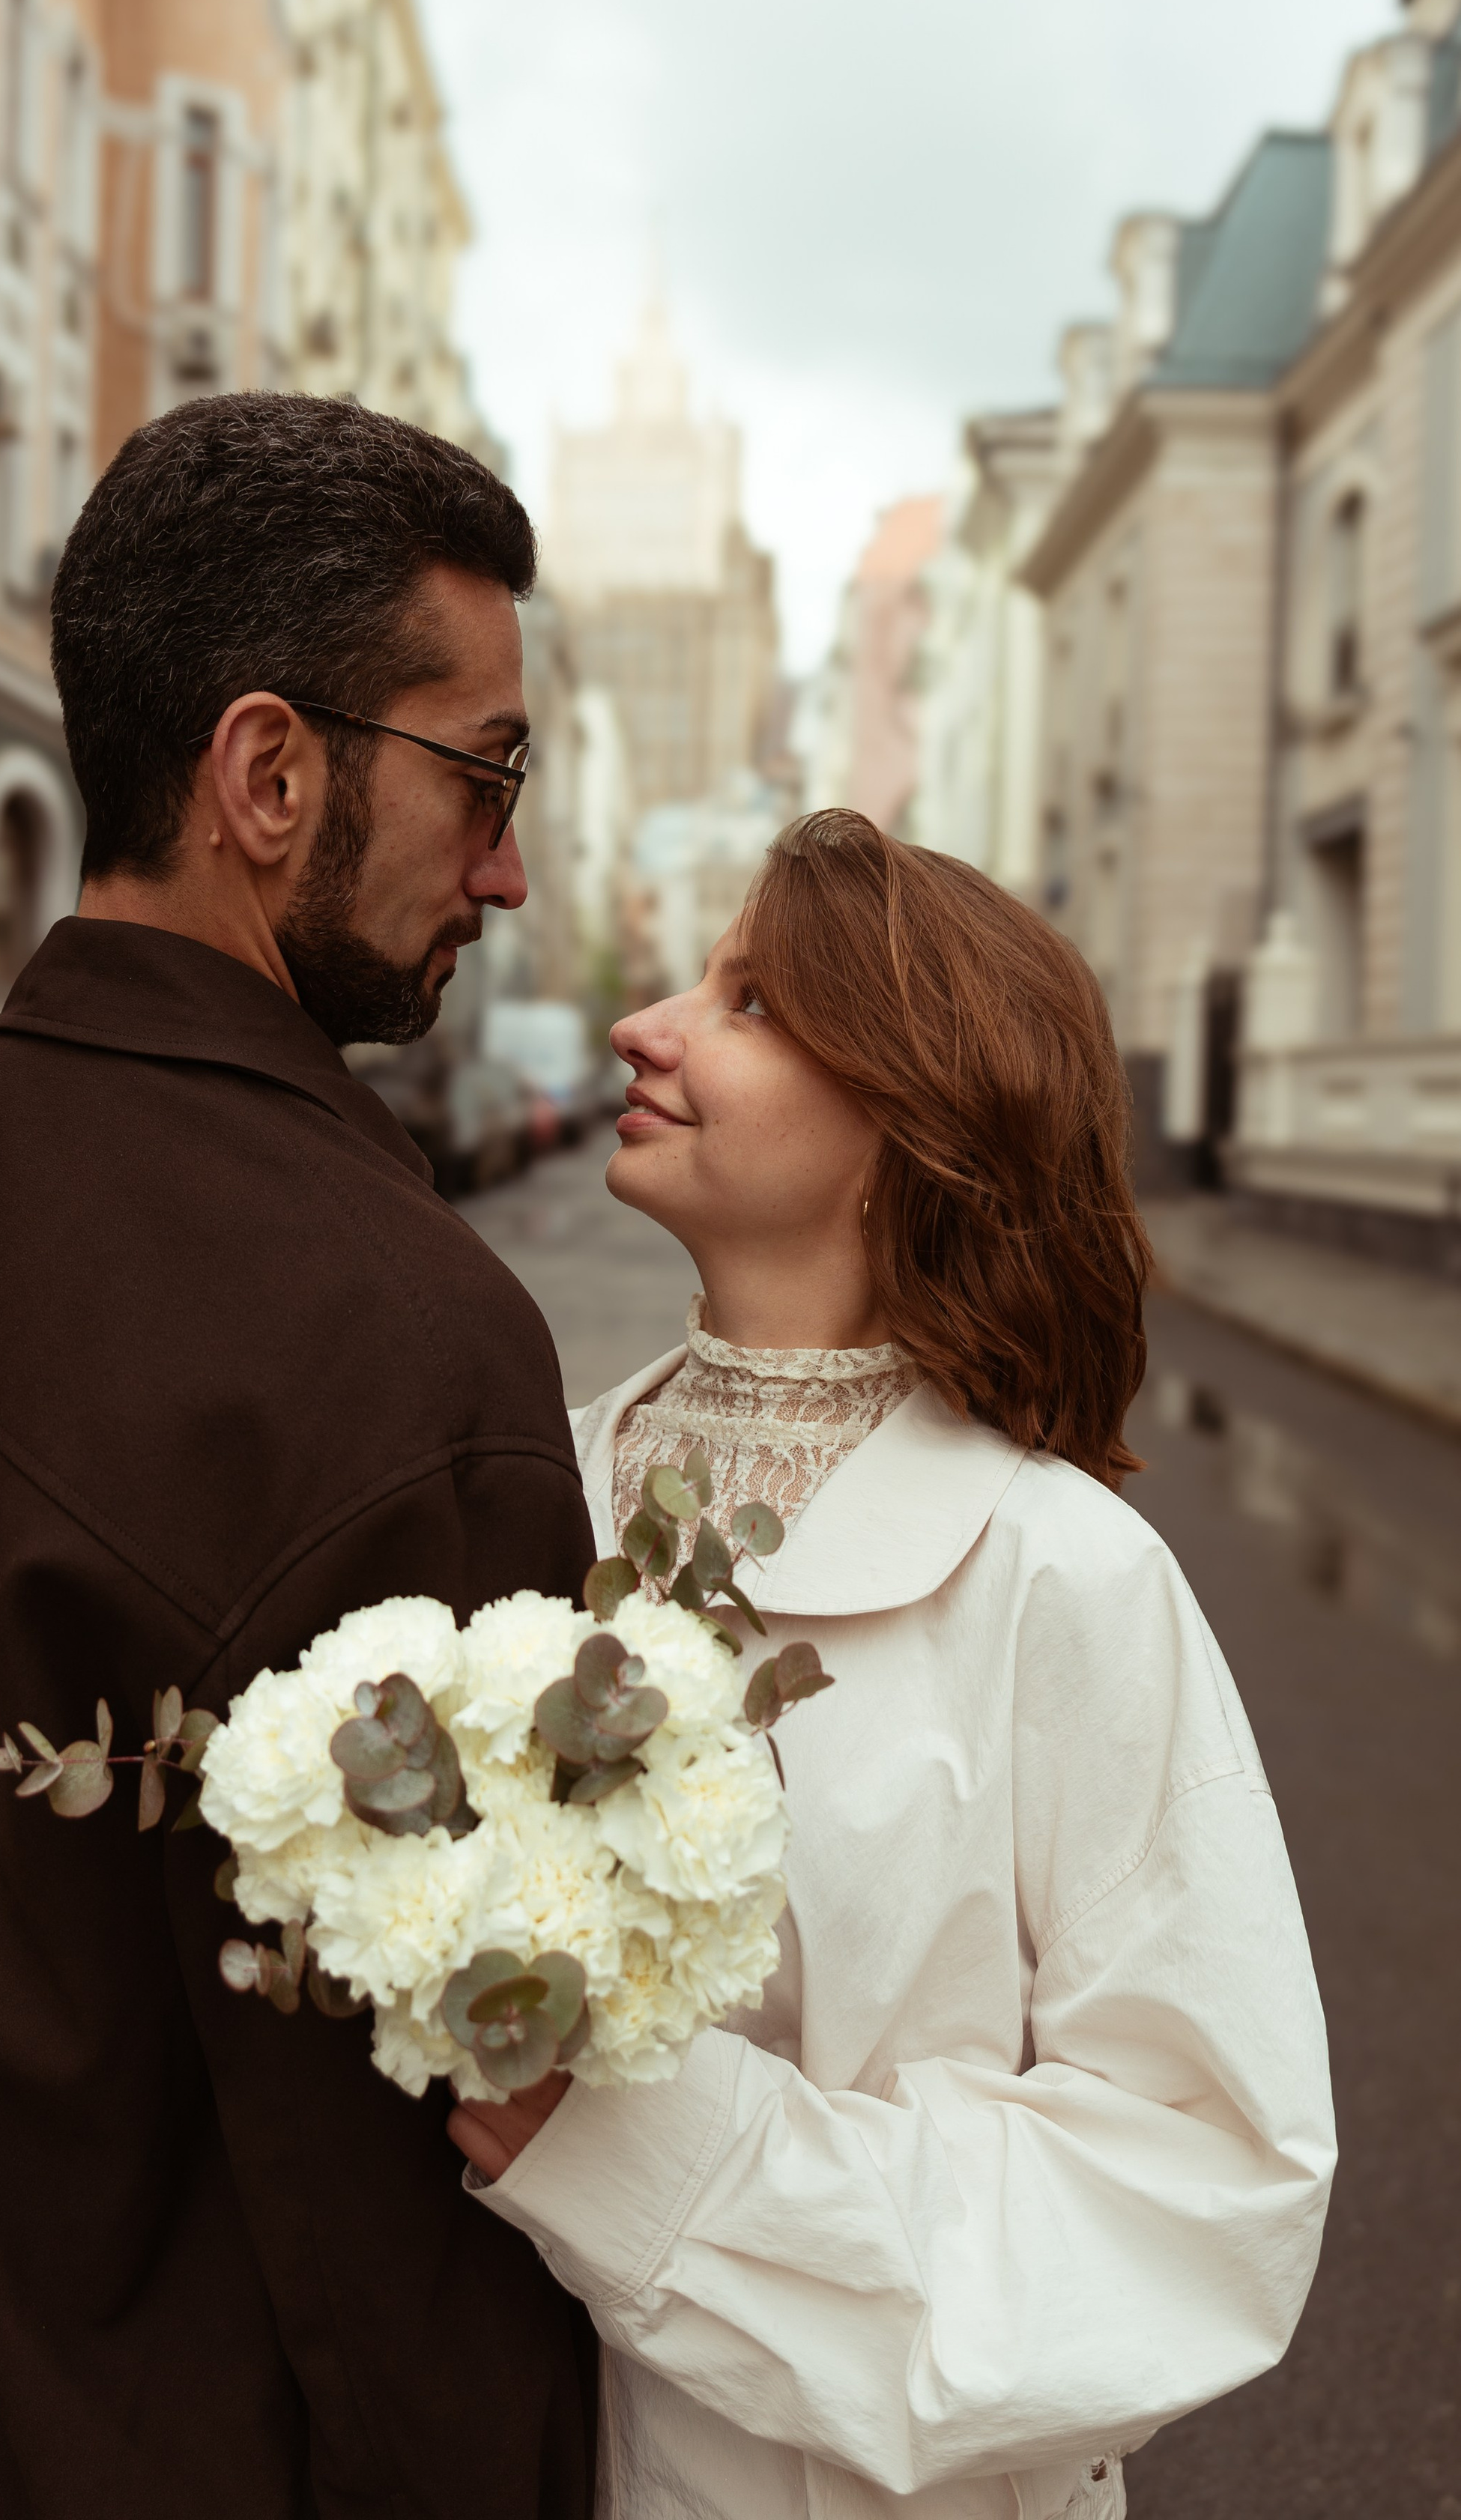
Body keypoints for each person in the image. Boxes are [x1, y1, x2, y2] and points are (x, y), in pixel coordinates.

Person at [0, 394, 598, 2520]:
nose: (508, 866)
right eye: (484, 774)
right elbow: (426, 2157)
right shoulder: (400, 1334)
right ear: (270, 776)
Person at [450, 810, 1335, 2520]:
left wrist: (664, 2169)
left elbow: (1202, 2190)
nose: (642, 1029)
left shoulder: (1061, 1575)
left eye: (749, 1002)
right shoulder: (526, 1489)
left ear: (907, 1121)